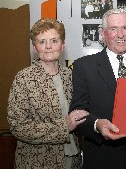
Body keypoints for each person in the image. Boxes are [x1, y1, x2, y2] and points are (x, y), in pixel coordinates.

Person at [69, 8, 126, 169]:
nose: (120, 34)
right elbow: (77, 112)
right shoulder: (84, 66)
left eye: (125, 28)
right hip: (102, 157)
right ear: (103, 33)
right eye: (113, 29)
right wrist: (97, 124)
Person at [7, 18, 89, 169]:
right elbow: (17, 126)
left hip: (73, 159)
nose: (49, 46)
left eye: (54, 40)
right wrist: (64, 127)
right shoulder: (24, 78)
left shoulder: (71, 75)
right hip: (38, 161)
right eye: (42, 41)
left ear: (62, 45)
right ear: (35, 47)